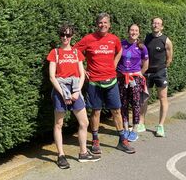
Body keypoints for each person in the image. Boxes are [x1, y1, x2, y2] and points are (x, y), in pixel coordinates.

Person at [75, 13, 135, 155]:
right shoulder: (89, 39)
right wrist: (82, 69)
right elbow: (75, 52)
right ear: (97, 24)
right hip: (94, 82)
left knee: (116, 111)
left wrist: (113, 66)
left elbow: (119, 51)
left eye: (105, 22)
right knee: (96, 111)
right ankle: (95, 140)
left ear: (109, 24)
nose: (103, 25)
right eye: (100, 23)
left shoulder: (114, 39)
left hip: (111, 81)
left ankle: (122, 140)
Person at [47, 24, 100, 169]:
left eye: (68, 35)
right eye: (63, 35)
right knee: (59, 124)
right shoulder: (55, 53)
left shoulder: (76, 53)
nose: (65, 37)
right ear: (60, 36)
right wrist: (64, 94)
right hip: (60, 90)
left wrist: (77, 92)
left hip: (75, 88)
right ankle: (61, 155)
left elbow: (82, 74)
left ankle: (83, 153)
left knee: (84, 123)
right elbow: (52, 77)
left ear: (72, 37)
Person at [140, 17, 173, 137]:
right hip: (147, 72)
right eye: (154, 23)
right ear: (151, 25)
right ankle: (141, 123)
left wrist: (162, 69)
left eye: (158, 23)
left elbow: (169, 59)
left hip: (160, 72)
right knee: (144, 97)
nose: (156, 25)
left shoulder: (166, 40)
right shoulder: (146, 38)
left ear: (162, 27)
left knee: (163, 98)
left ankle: (160, 126)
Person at [116, 24, 149, 142]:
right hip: (122, 78)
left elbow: (146, 63)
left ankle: (135, 130)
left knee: (135, 103)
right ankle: (125, 128)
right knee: (123, 104)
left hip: (135, 79)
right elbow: (115, 59)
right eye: (131, 30)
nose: (133, 32)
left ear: (139, 33)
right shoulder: (121, 44)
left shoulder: (142, 47)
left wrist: (140, 73)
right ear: (128, 31)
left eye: (136, 30)